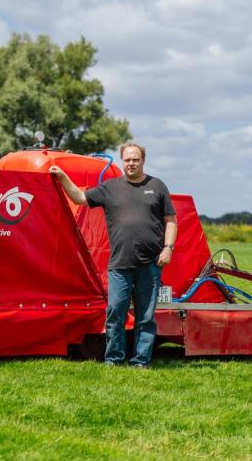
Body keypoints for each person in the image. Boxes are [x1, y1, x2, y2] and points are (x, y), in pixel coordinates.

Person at [50, 142, 177, 368]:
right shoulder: (110, 188)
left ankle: (140, 361)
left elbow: (171, 220)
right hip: (120, 264)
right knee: (115, 314)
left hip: (151, 264)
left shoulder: (157, 186)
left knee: (146, 318)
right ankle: (113, 359)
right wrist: (62, 177)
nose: (131, 163)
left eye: (135, 159)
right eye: (127, 159)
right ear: (122, 161)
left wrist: (168, 248)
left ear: (143, 161)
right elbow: (80, 198)